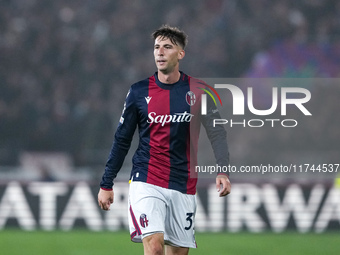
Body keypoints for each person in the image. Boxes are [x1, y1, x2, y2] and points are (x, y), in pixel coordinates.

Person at [98, 25, 231, 255]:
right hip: (147, 178)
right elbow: (122, 139)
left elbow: (217, 132)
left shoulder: (198, 91)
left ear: (180, 54)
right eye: (157, 47)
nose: (160, 52)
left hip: (183, 183)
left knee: (177, 252)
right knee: (156, 249)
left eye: (167, 47)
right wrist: (106, 182)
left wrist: (223, 170)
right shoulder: (139, 92)